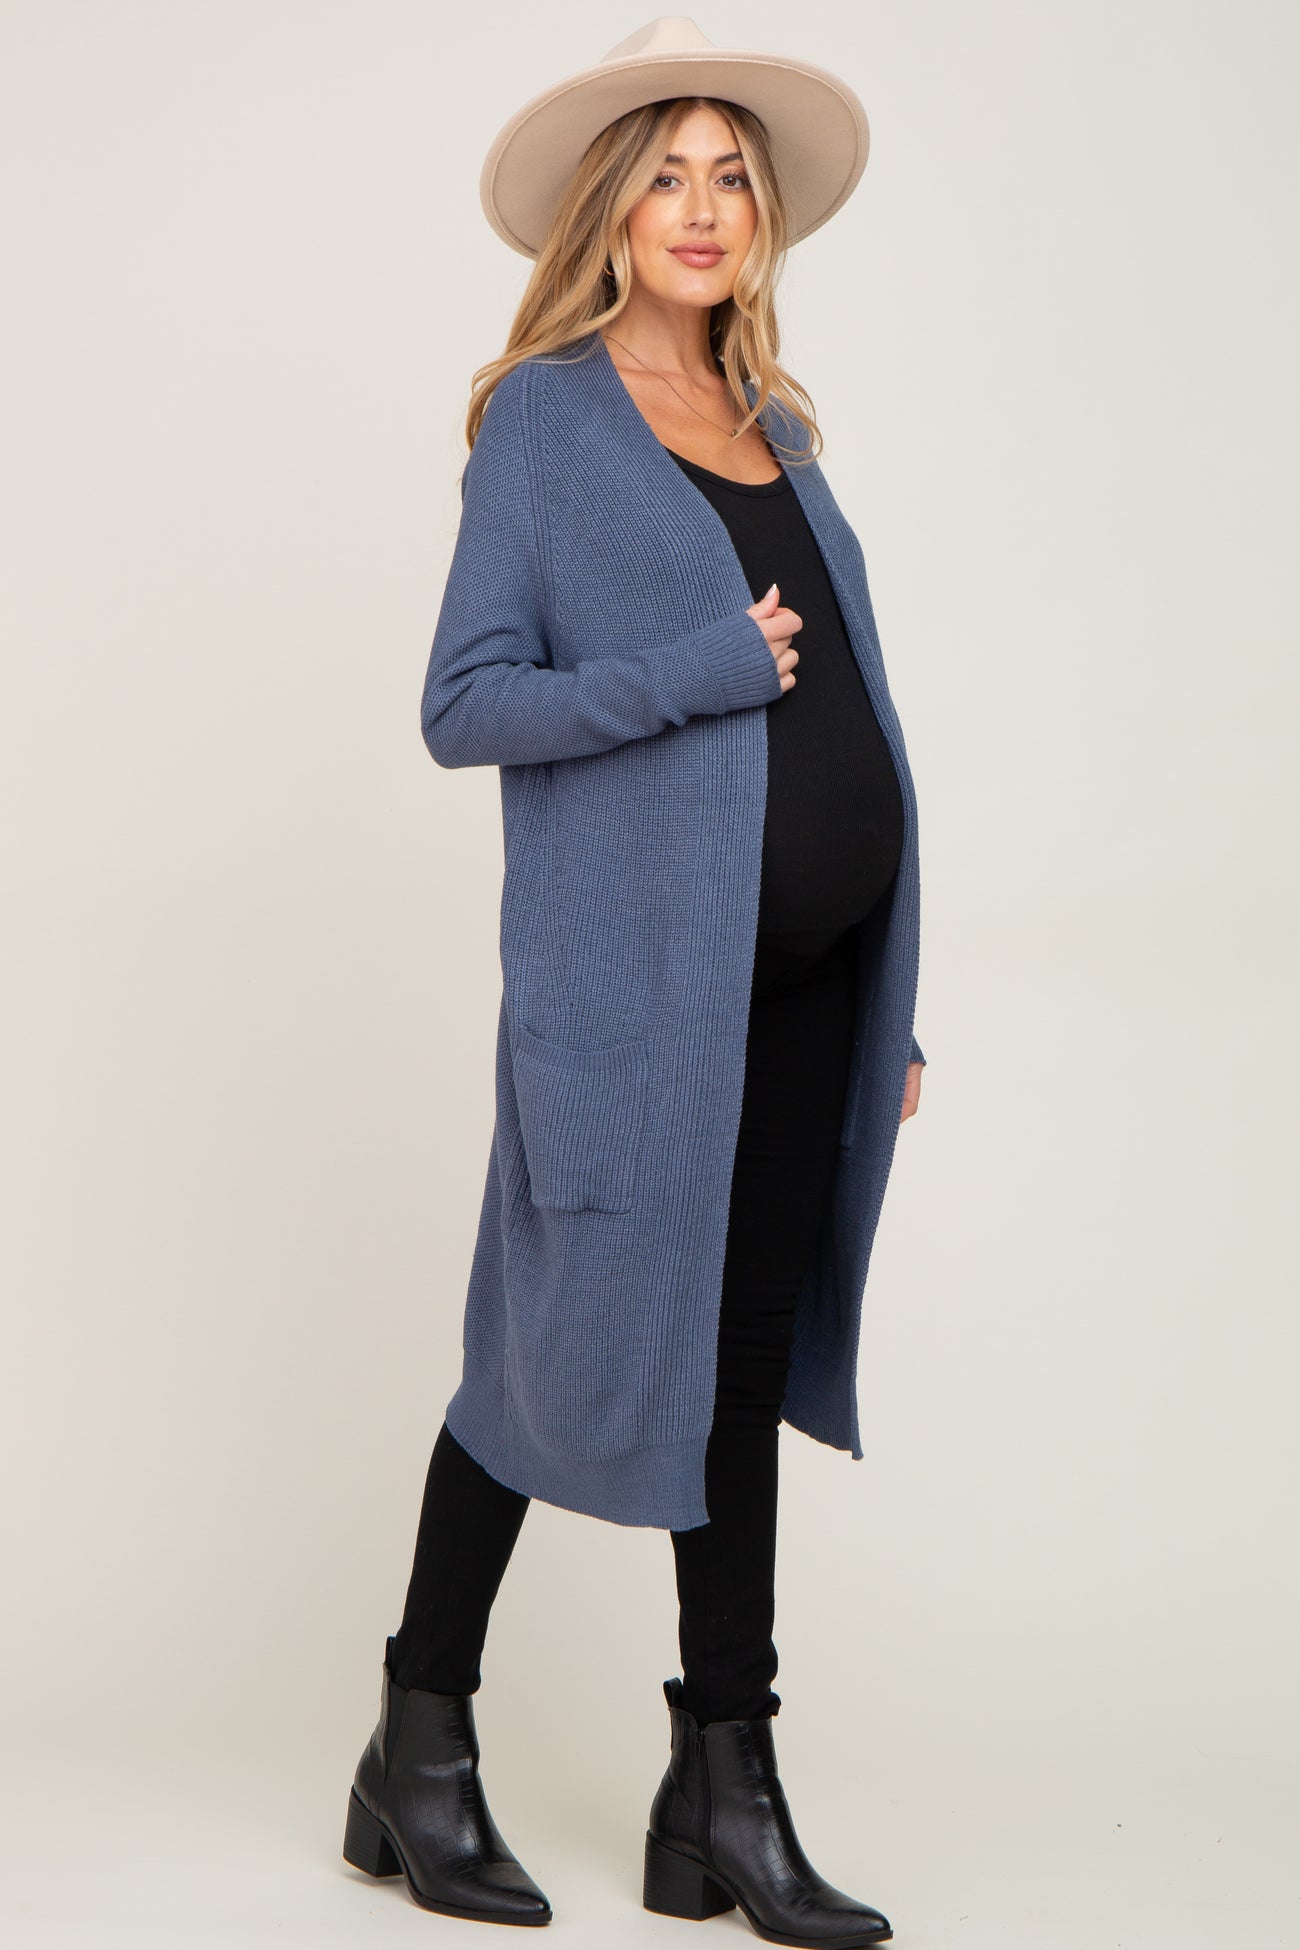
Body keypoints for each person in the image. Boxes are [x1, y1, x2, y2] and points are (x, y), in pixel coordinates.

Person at [341, 19, 925, 1944]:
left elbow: (844, 706)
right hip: (635, 1004)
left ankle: (722, 1785)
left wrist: (890, 991)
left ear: (763, 219)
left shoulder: (779, 427)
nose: (701, 206)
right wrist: (690, 671)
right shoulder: (549, 423)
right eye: (665, 171)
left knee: (734, 1371)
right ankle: (420, 1737)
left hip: (810, 989)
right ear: (608, 207)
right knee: (541, 1362)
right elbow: (463, 704)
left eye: (730, 174)